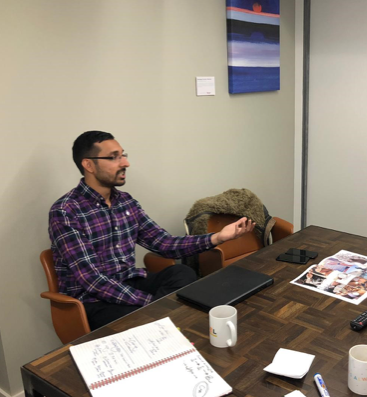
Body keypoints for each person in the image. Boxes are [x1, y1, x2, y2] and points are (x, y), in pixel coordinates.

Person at [49, 131, 255, 330]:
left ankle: (166, 321)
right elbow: (93, 281)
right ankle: (167, 321)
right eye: (114, 158)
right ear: (88, 165)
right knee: (144, 320)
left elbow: (164, 244)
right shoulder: (66, 211)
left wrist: (218, 237)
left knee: (182, 273)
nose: (125, 163)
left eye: (123, 156)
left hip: (130, 282)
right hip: (94, 300)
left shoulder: (126, 202)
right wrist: (153, 304)